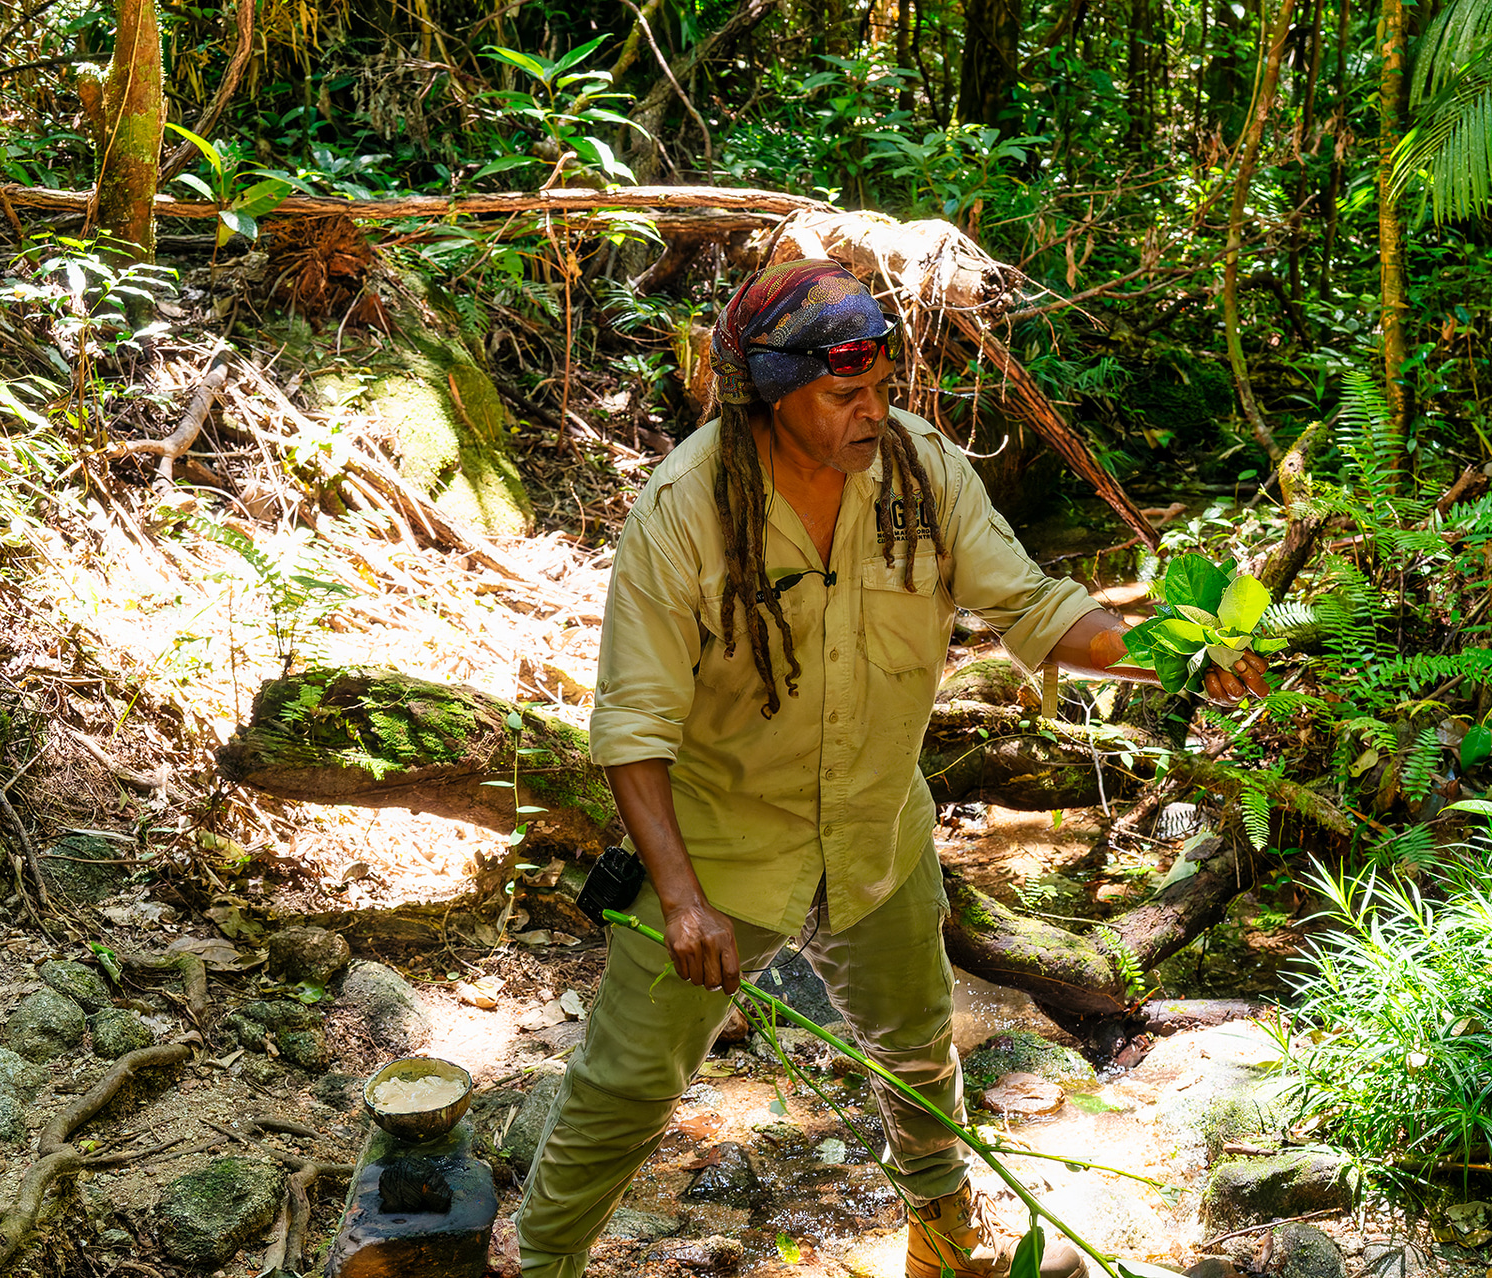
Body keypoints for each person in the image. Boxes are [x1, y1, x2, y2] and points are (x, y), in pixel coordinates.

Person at [513, 260, 1270, 1278]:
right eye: (843, 396)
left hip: (878, 831)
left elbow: (1037, 610)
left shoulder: (920, 473)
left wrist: (1178, 649)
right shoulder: (684, 509)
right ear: (771, 396)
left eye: (879, 391)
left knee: (917, 1055)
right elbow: (634, 727)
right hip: (720, 844)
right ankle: (538, 1259)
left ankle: (946, 1244)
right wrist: (684, 904)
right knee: (628, 1084)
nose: (870, 413)